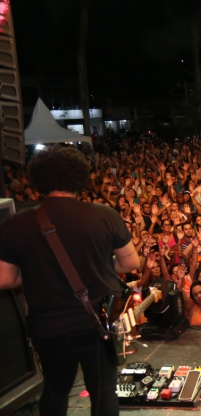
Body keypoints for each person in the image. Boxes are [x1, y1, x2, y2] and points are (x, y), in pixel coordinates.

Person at [0, 146, 140, 416]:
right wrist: (100, 263)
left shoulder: (16, 224)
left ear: (38, 180)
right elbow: (130, 263)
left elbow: (5, 279)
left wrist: (35, 272)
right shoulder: (103, 215)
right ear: (79, 179)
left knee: (55, 389)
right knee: (102, 390)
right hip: (96, 323)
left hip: (48, 327)